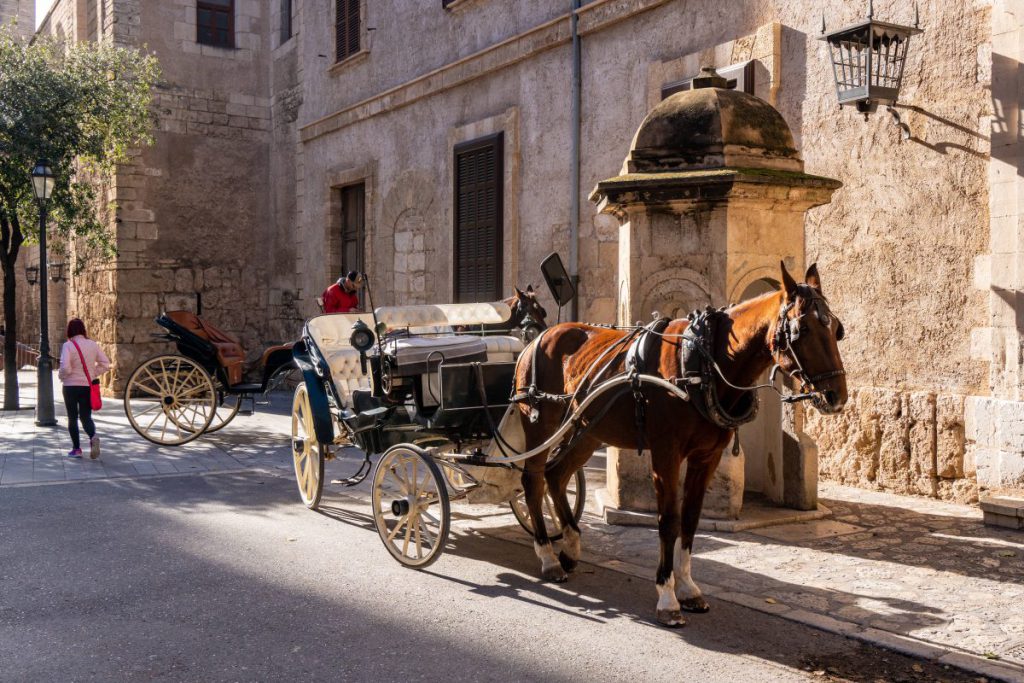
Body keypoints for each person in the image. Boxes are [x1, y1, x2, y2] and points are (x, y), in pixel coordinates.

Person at [57, 319, 110, 459]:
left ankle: (76, 449)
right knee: (86, 417)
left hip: (70, 387)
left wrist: (62, 376)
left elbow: (65, 368)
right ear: (83, 329)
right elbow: (105, 364)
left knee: (72, 418)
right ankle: (93, 437)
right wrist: (93, 373)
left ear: (69, 331)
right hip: (87, 386)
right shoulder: (92, 345)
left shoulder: (68, 346)